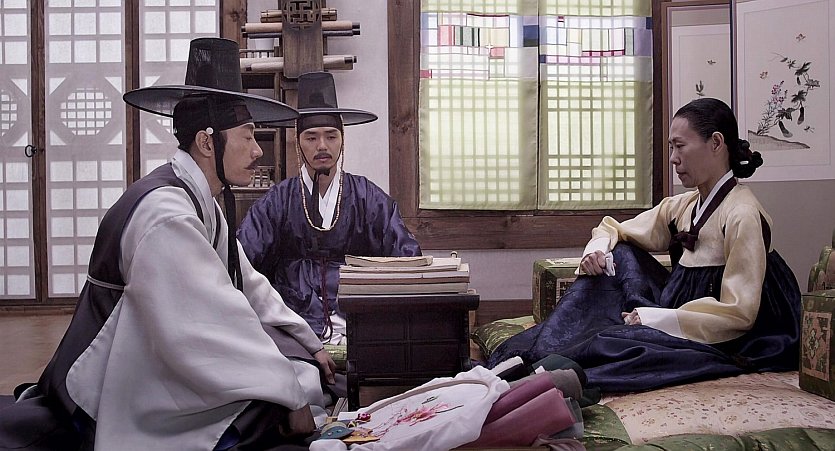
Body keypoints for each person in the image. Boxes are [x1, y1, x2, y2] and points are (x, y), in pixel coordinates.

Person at [5, 38, 336, 451]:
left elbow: (249, 284)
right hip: (114, 373)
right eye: (248, 137)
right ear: (207, 143)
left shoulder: (199, 200)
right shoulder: (167, 213)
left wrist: (309, 342)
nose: (257, 151)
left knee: (300, 371)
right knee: (273, 401)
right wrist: (288, 392)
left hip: (155, 350)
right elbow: (214, 320)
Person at [488, 98, 801, 393]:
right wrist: (597, 252)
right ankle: (536, 354)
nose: (673, 158)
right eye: (671, 147)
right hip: (677, 307)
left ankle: (547, 375)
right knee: (618, 253)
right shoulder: (683, 205)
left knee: (615, 342)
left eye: (680, 146)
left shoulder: (742, 213)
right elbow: (614, 229)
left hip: (730, 334)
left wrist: (655, 319)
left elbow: (740, 314)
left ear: (716, 143)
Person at [238, 72, 421, 344]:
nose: (322, 146)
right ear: (298, 141)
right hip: (294, 326)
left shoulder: (367, 197)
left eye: (331, 136)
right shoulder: (277, 201)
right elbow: (243, 263)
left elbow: (407, 257)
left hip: (358, 322)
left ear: (342, 139)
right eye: (311, 137)